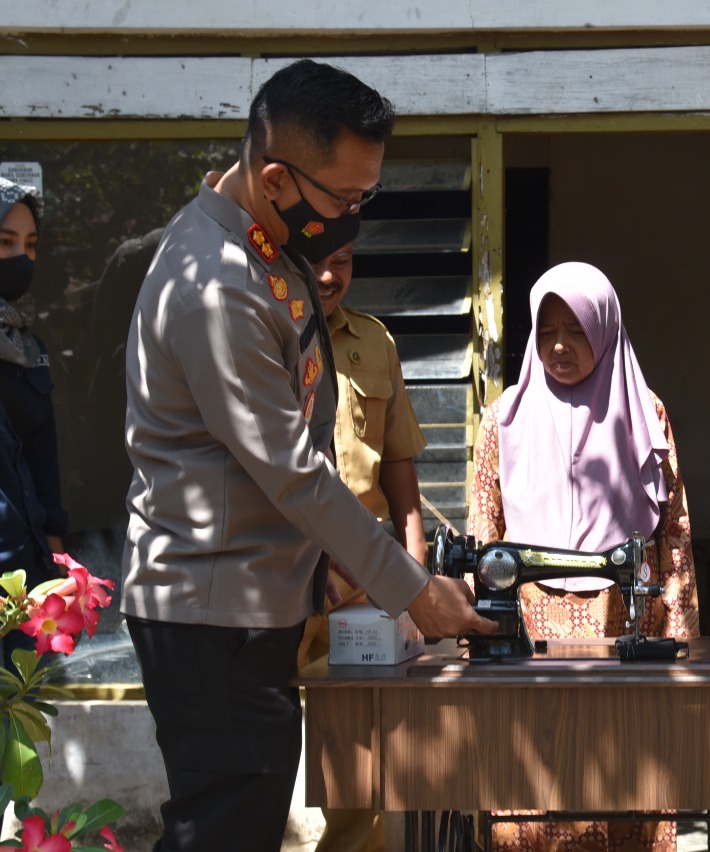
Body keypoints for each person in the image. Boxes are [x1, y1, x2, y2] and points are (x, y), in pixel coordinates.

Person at [121, 59, 496, 852]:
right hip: (211, 613)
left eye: (368, 195)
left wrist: (326, 566)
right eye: (344, 198)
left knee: (240, 823)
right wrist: (412, 591)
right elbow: (292, 468)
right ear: (276, 178)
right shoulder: (219, 285)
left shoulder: (266, 250)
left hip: (253, 600)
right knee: (223, 830)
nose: (355, 215)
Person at [468, 260, 700, 851]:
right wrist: (475, 629)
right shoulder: (503, 421)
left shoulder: (646, 414)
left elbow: (671, 536)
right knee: (532, 791)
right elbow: (483, 536)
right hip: (530, 637)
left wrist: (680, 637)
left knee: (624, 780)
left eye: (576, 331)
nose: (560, 347)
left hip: (624, 628)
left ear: (606, 329)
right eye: (546, 333)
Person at [297, 241, 428, 852]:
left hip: (360, 586)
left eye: (343, 260)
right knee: (262, 753)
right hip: (282, 577)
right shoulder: (263, 334)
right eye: (316, 258)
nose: (328, 275)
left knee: (362, 760)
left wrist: (414, 569)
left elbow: (399, 466)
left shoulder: (375, 342)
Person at [0, 177, 70, 668]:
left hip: (23, 581)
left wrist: (58, 566)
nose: (21, 258)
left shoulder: (28, 348)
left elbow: (42, 459)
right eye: (6, 243)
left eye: (31, 245)